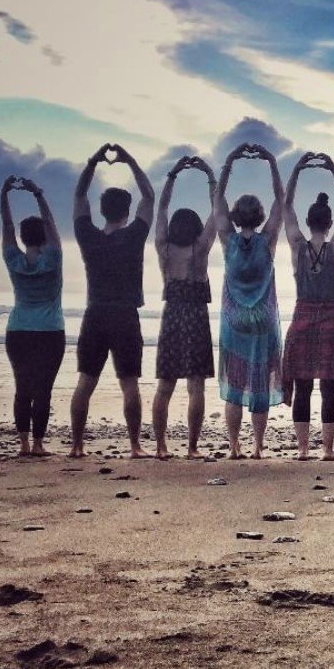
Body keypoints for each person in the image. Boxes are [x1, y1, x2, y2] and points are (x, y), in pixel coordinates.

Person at [70, 142, 155, 459]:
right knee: (129, 383)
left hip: (95, 314)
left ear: (102, 210)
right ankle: (134, 446)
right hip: (124, 314)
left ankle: (77, 446)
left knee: (85, 382)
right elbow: (149, 197)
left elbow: (79, 197)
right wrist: (130, 160)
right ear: (126, 211)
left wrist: (93, 163)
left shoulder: (88, 236)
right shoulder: (133, 236)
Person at [281, 152, 334, 461]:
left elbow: (285, 207)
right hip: (331, 317)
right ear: (329, 222)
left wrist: (297, 170)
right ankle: (326, 450)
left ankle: (302, 449)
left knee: (303, 386)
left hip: (303, 316)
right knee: (327, 387)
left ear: (309, 221)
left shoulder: (298, 246)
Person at [215, 143, 285, 459]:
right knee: (258, 385)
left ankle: (233, 446)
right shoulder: (267, 240)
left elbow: (217, 202)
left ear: (235, 216)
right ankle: (257, 447)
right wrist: (271, 161)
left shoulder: (228, 240)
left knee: (235, 385)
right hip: (263, 320)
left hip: (235, 323)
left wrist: (230, 161)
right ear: (257, 216)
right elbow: (281, 203)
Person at [152, 156, 218, 459]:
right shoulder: (200, 249)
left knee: (165, 386)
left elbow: (162, 210)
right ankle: (191, 447)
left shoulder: (164, 249)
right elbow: (217, 214)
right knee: (196, 387)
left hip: (172, 317)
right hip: (195, 317)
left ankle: (161, 446)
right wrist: (209, 176)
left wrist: (172, 175)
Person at [0, 175, 64, 456]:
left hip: (18, 331)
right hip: (50, 331)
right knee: (43, 389)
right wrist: (38, 193)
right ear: (45, 237)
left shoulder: (13, 260)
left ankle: (25, 443)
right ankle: (38, 444)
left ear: (23, 238)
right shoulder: (53, 259)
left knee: (22, 387)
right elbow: (51, 224)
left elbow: (6, 225)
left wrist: (4, 195)